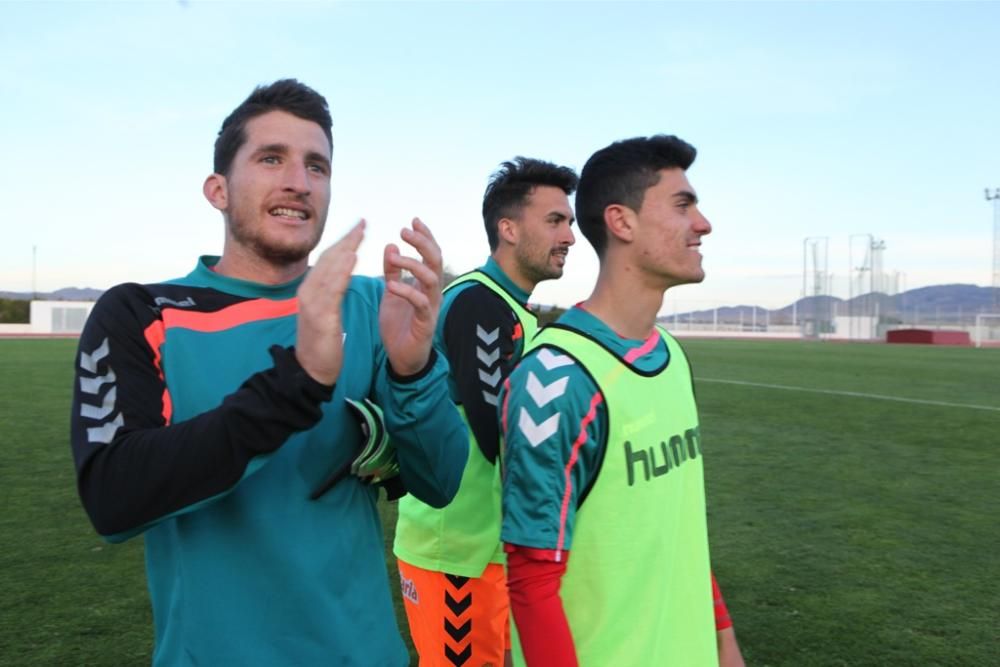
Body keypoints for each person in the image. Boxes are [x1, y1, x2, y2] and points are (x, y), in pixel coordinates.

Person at [69, 79, 468, 667]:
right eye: (270, 158)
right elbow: (114, 497)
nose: (299, 182)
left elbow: (441, 480)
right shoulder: (143, 313)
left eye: (317, 166)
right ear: (218, 190)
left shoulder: (369, 306)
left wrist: (413, 372)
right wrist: (297, 385)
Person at [499, 135, 746, 666]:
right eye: (683, 205)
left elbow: (676, 530)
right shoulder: (555, 379)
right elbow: (532, 582)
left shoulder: (672, 356)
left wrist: (722, 638)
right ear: (622, 222)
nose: (702, 224)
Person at [393, 157, 578, 666]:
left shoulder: (510, 308)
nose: (570, 236)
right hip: (458, 552)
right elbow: (502, 433)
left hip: (489, 552)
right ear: (509, 228)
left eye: (570, 222)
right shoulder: (480, 304)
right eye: (555, 220)